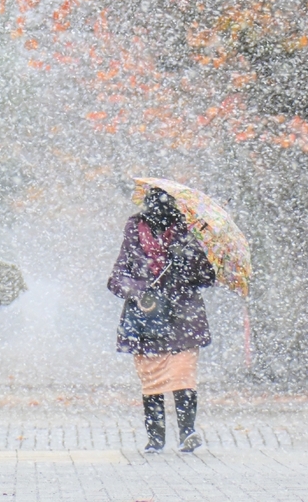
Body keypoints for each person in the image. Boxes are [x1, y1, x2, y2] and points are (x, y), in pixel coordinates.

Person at [107, 185, 215, 453]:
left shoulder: (189, 235)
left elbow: (207, 277)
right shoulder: (133, 235)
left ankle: (187, 433)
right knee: (152, 379)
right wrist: (138, 289)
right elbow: (116, 279)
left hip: (182, 317)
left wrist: (185, 262)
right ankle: (156, 439)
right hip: (147, 319)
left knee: (183, 376)